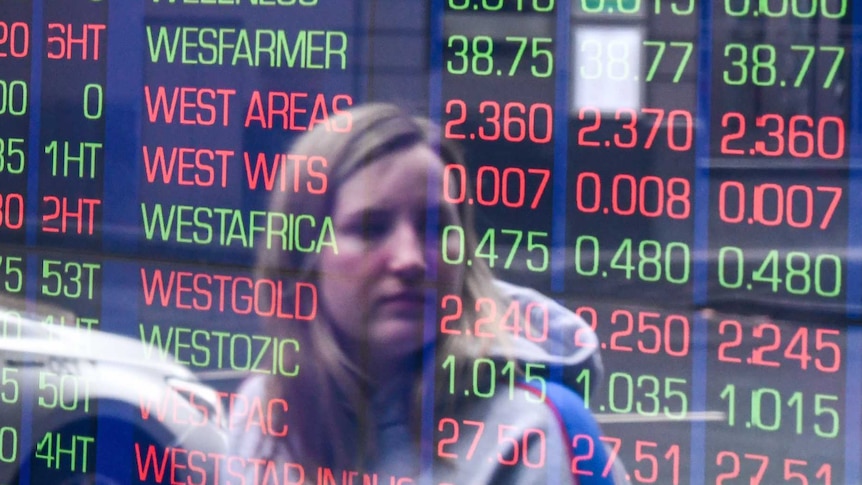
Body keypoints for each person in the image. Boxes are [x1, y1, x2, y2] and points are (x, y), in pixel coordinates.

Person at [230, 103, 627, 484]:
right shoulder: (262, 414)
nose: (410, 260)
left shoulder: (532, 432)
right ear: (302, 258)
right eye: (371, 228)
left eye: (436, 228)